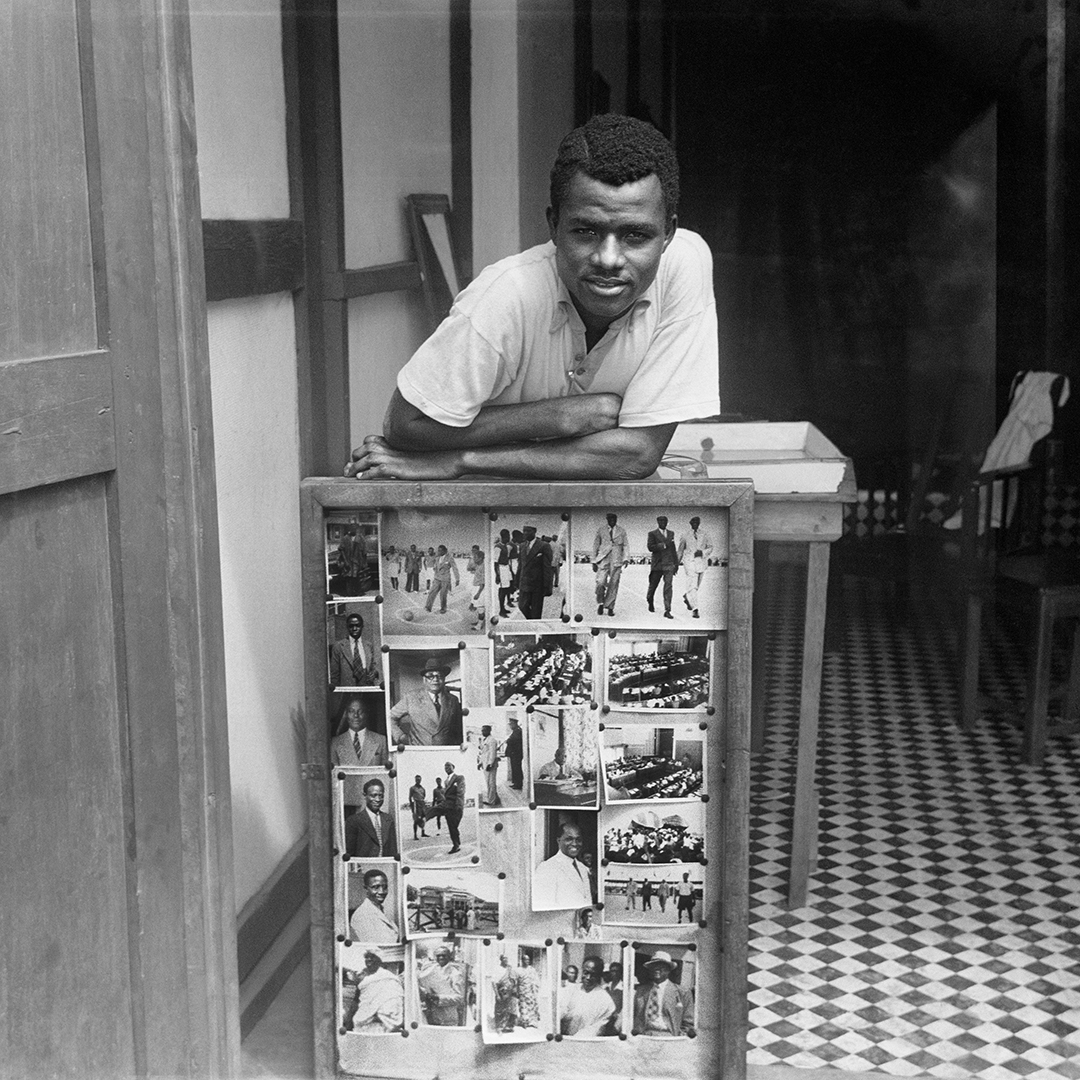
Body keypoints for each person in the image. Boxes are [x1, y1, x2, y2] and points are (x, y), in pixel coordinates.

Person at [345, 113, 719, 482]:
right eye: (586, 231)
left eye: (635, 236)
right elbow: (405, 425)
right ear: (553, 225)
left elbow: (636, 454)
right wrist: (559, 417)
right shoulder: (508, 293)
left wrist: (463, 458)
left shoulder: (685, 264)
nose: (608, 259)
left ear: (668, 233)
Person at [330, 698, 390, 812]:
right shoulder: (335, 743)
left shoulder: (381, 740)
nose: (356, 715)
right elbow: (334, 780)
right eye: (351, 711)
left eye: (360, 711)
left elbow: (385, 776)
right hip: (346, 804)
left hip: (374, 804)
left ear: (366, 714)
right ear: (346, 715)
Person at [388, 658, 463, 745]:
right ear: (424, 679)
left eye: (439, 676)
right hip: (420, 751)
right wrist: (401, 736)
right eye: (430, 676)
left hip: (445, 753)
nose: (435, 679)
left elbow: (458, 728)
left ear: (444, 679)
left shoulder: (453, 700)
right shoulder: (411, 697)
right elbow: (390, 717)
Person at [533, 819, 592, 910]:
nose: (574, 844)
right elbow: (542, 907)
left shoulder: (582, 867)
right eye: (569, 839)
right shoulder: (547, 867)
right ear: (558, 840)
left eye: (578, 839)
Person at [632, 950, 694, 1037]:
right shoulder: (640, 991)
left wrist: (679, 1038)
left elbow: (688, 1022)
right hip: (644, 1036)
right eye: (653, 966)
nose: (656, 969)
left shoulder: (682, 992)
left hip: (669, 1036)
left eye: (662, 966)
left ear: (669, 970)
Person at [347, 949, 404, 1034]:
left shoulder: (389, 978)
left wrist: (381, 1013)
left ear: (379, 960)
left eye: (372, 957)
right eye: (367, 957)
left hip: (386, 1023)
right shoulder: (364, 979)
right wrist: (348, 1024)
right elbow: (356, 1001)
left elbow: (396, 1000)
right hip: (364, 1023)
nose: (369, 959)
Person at [560, 955, 616, 1037]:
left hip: (585, 1044)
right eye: (586, 973)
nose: (588, 977)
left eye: (593, 975)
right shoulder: (569, 991)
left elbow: (597, 1029)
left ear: (599, 975)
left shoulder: (606, 1001)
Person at [345, 777, 398, 859]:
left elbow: (392, 850)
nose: (377, 799)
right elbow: (350, 853)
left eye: (381, 796)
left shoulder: (388, 819)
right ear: (365, 795)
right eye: (373, 796)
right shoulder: (353, 821)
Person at [329, 613, 381, 688]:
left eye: (357, 625)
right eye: (351, 626)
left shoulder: (368, 646)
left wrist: (374, 673)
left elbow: (374, 668)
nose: (354, 628)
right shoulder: (338, 646)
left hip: (367, 690)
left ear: (362, 626)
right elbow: (334, 675)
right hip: (347, 691)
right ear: (347, 627)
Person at [591, 512, 628, 616]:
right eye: (610, 518)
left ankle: (610, 606)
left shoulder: (622, 531)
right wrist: (594, 561)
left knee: (614, 583)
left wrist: (626, 558)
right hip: (603, 559)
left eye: (614, 518)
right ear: (607, 519)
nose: (612, 520)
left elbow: (625, 545)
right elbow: (595, 545)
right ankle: (601, 603)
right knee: (600, 582)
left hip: (616, 559)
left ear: (616, 519)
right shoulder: (601, 530)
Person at [418, 944, 465, 1026]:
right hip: (433, 1017)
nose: (441, 958)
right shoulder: (431, 971)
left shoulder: (455, 973)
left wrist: (437, 997)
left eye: (444, 955)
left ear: (449, 957)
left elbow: (459, 998)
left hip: (448, 1018)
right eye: (438, 956)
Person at [676, 515, 713, 619]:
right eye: (693, 522)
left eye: (697, 522)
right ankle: (695, 609)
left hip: (701, 563)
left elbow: (710, 547)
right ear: (690, 523)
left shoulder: (705, 534)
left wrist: (702, 552)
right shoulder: (685, 535)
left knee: (696, 586)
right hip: (689, 562)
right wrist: (676, 564)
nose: (695, 523)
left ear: (699, 523)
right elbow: (680, 550)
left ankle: (687, 597)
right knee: (693, 586)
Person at [349, 868, 398, 943]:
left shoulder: (380, 909)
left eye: (385, 887)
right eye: (375, 887)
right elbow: (379, 946)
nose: (381, 892)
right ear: (366, 889)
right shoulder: (362, 915)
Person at [516, 525, 553, 620]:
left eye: (528, 531)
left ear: (534, 531)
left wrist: (547, 586)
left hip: (537, 585)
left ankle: (536, 631)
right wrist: (516, 582)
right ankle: (532, 622)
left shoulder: (544, 546)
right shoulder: (522, 546)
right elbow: (520, 566)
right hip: (524, 583)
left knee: (536, 611)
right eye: (524, 531)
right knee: (522, 606)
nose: (525, 533)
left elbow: (547, 568)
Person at [646, 515, 678, 618]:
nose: (663, 522)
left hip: (668, 564)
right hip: (657, 564)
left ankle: (667, 610)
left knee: (668, 587)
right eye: (660, 521)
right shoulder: (652, 534)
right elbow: (650, 547)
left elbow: (673, 549)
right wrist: (662, 545)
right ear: (658, 522)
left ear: (667, 522)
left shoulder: (671, 533)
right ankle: (650, 599)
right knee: (653, 585)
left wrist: (676, 564)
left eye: (665, 521)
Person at [425, 544, 460, 614]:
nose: (439, 552)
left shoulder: (449, 558)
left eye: (440, 551)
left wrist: (457, 578)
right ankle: (428, 607)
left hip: (445, 579)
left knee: (443, 594)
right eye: (438, 550)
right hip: (437, 578)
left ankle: (443, 608)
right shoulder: (437, 558)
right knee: (432, 592)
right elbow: (436, 566)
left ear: (445, 551)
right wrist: (435, 570)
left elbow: (454, 568)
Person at [441, 760, 466, 855]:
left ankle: (456, 843)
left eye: (448, 766)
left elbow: (461, 792)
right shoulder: (446, 781)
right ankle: (456, 845)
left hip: (456, 806)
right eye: (445, 767)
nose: (446, 768)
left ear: (453, 767)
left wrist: (459, 805)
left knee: (454, 826)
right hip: (448, 807)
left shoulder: (459, 778)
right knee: (451, 826)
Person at [493, 953, 520, 1033]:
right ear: (501, 960)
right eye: (504, 958)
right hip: (501, 992)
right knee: (500, 1010)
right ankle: (499, 1027)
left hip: (511, 992)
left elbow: (514, 980)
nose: (506, 960)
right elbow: (494, 983)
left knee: (512, 1008)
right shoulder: (497, 969)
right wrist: (497, 995)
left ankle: (509, 1026)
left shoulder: (510, 969)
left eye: (507, 958)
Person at [477, 724, 501, 807]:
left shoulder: (492, 740)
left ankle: (492, 801)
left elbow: (492, 753)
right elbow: (483, 753)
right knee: (488, 783)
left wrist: (490, 764)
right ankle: (494, 798)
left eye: (484, 730)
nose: (482, 732)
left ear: (489, 731)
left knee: (491, 783)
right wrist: (480, 763)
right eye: (482, 730)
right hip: (485, 764)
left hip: (490, 765)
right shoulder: (485, 740)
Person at [493, 528, 515, 617]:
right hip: (501, 569)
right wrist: (497, 575)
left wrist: (510, 570)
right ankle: (501, 610)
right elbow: (495, 562)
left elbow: (507, 559)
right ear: (504, 537)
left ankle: (504, 608)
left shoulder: (505, 546)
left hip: (506, 568)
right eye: (508, 536)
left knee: (507, 588)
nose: (509, 538)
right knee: (502, 590)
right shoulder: (498, 547)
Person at [516, 952, 541, 1028]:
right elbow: (516, 981)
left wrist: (535, 987)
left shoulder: (532, 970)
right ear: (522, 960)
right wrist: (516, 991)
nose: (527, 961)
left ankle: (532, 1022)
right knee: (523, 1006)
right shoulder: (518, 970)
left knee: (531, 1006)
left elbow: (536, 979)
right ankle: (524, 1022)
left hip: (531, 991)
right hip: (522, 991)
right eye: (525, 960)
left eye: (528, 960)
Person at [502, 716, 524, 790]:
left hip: (516, 754)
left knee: (517, 769)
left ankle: (518, 784)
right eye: (510, 724)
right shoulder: (515, 731)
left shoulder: (518, 731)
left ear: (515, 723)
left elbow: (514, 741)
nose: (510, 726)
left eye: (511, 724)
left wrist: (508, 740)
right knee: (514, 769)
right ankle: (515, 783)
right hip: (514, 754)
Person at [408, 774, 428, 840]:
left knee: (423, 818)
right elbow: (410, 797)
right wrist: (412, 807)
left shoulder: (423, 788)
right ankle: (415, 835)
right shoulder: (412, 788)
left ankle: (423, 832)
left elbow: (424, 796)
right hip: (416, 804)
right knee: (416, 820)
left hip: (422, 803)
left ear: (421, 780)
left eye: (419, 780)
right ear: (415, 780)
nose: (418, 781)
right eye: (417, 780)